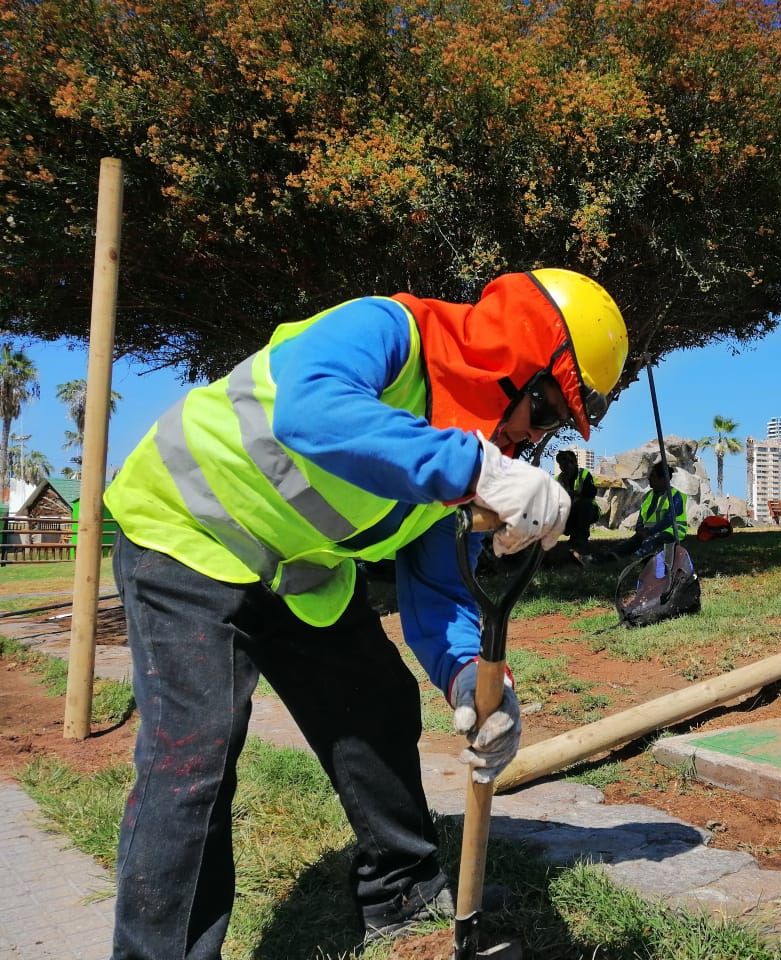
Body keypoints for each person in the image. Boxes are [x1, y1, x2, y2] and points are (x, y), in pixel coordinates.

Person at [102, 268, 628, 960]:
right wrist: (474, 468)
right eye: (548, 412)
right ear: (513, 357)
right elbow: (311, 411)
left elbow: (440, 593)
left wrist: (471, 680)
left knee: (377, 702)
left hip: (296, 575)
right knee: (193, 756)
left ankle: (402, 889)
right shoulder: (386, 330)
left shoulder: (468, 456)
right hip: (185, 533)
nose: (530, 438)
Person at [586, 461, 687, 563]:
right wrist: (639, 529)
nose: (649, 478)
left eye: (653, 476)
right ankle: (609, 556)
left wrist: (649, 532)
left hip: (670, 533)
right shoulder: (648, 495)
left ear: (663, 479)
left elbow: (669, 520)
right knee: (629, 543)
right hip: (649, 532)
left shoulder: (675, 495)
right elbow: (641, 516)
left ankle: (634, 559)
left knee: (651, 542)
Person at [555, 449, 600, 547]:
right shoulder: (557, 480)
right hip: (567, 513)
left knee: (584, 505)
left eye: (567, 464)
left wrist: (574, 494)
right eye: (561, 464)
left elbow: (591, 493)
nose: (564, 467)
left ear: (574, 463)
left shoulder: (584, 474)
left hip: (587, 510)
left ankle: (581, 538)